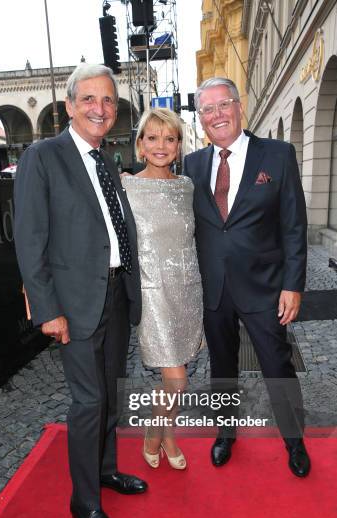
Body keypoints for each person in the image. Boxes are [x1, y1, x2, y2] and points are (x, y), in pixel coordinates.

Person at [14, 63, 147, 518]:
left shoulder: (106, 159)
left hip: (115, 294)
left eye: (108, 101)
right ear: (69, 106)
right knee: (89, 401)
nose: (100, 108)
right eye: (89, 99)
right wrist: (47, 308)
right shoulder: (43, 157)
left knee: (110, 395)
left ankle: (106, 470)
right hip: (74, 302)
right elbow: (30, 240)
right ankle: (84, 502)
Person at [184, 77, 310, 477]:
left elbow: (293, 224)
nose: (217, 115)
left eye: (223, 105)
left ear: (240, 107)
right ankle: (226, 433)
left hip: (265, 287)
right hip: (214, 289)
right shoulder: (192, 165)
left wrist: (293, 284)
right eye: (208, 109)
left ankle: (294, 441)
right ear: (201, 118)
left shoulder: (277, 155)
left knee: (277, 364)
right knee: (221, 367)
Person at [122, 108, 203, 470]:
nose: (161, 146)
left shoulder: (186, 187)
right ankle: (155, 435)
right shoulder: (127, 187)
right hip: (153, 294)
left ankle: (167, 436)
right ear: (140, 145)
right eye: (152, 138)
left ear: (178, 146)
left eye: (169, 138)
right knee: (178, 379)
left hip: (188, 290)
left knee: (177, 375)